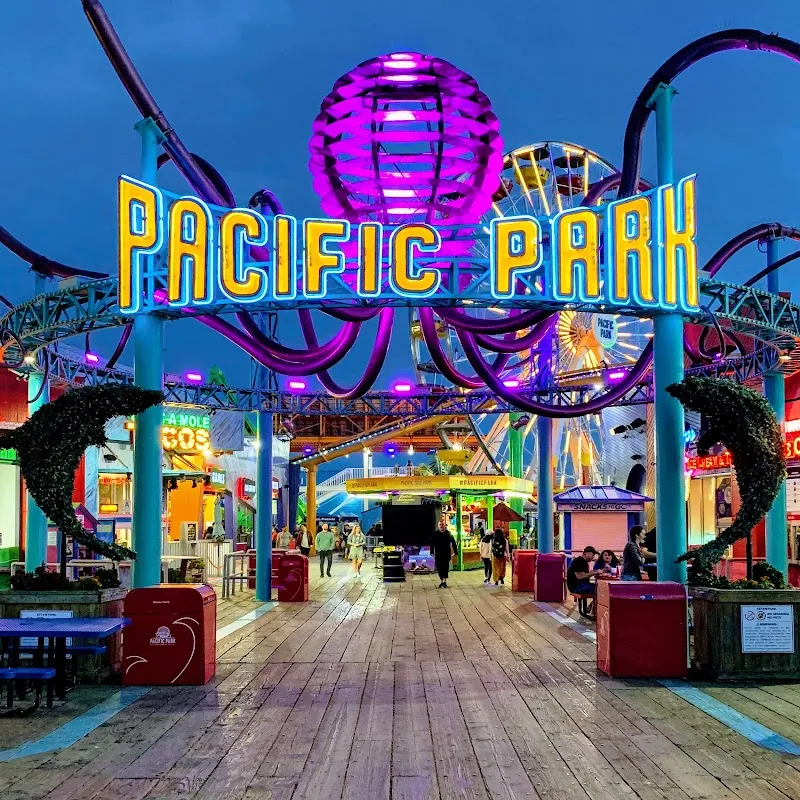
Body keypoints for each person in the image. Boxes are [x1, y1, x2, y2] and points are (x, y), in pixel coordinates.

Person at [431, 519, 458, 588]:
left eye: (442, 524)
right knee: (439, 568)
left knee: (445, 568)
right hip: (438, 554)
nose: (441, 526)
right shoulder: (435, 534)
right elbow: (432, 544)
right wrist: (431, 552)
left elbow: (453, 543)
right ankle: (441, 580)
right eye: (440, 524)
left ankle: (444, 582)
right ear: (438, 525)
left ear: (444, 525)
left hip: (446, 554)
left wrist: (455, 552)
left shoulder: (448, 533)